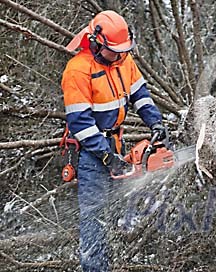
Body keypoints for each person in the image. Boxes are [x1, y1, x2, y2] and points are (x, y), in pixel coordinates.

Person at [61, 10, 167, 271]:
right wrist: (107, 157)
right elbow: (80, 124)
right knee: (93, 218)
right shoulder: (77, 71)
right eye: (114, 51)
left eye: (123, 50)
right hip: (90, 152)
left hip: (115, 143)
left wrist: (155, 121)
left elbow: (140, 94)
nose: (119, 55)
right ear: (96, 43)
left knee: (119, 210)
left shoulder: (123, 59)